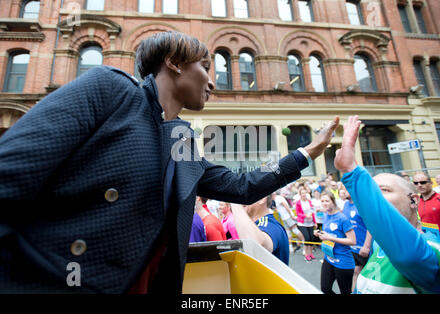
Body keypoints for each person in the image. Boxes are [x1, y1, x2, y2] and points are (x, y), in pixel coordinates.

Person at [0, 31, 339, 294]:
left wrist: (307, 153)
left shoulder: (183, 143)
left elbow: (241, 185)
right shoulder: (110, 91)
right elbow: (10, 176)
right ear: (174, 62)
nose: (213, 81)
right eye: (205, 67)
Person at [335, 115, 440, 294]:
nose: (376, 197)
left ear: (414, 200)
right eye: (373, 191)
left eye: (384, 190)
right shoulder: (378, 245)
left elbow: (410, 256)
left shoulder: (434, 252)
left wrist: (351, 171)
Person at [314, 191, 356, 294]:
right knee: (325, 288)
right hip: (328, 258)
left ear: (333, 202)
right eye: (322, 201)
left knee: (345, 291)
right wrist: (319, 233)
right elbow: (328, 233)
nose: (324, 203)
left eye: (327, 201)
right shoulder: (325, 216)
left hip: (343, 260)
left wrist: (330, 238)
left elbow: (352, 241)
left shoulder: (342, 218)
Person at [230, 195, 290, 265]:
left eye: (244, 193)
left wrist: (234, 201)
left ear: (262, 199)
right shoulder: (256, 225)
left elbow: (254, 246)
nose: (240, 200)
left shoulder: (271, 225)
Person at [341, 186, 372, 292]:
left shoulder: (362, 206)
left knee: (360, 272)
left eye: (346, 189)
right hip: (351, 247)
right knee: (355, 272)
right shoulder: (345, 205)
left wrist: (366, 246)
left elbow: (370, 227)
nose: (343, 192)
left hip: (362, 247)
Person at [413, 172, 440, 244]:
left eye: (423, 182)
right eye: (416, 183)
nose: (419, 185)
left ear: (431, 183)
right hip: (430, 243)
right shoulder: (417, 201)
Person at [296, 188, 317, 261]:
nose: (304, 194)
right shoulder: (298, 203)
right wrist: (305, 216)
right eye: (302, 193)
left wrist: (315, 222)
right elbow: (298, 213)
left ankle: (311, 253)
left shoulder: (310, 202)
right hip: (302, 223)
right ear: (300, 194)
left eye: (305, 193)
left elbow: (313, 212)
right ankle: (306, 254)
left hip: (310, 223)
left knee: (311, 238)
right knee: (307, 238)